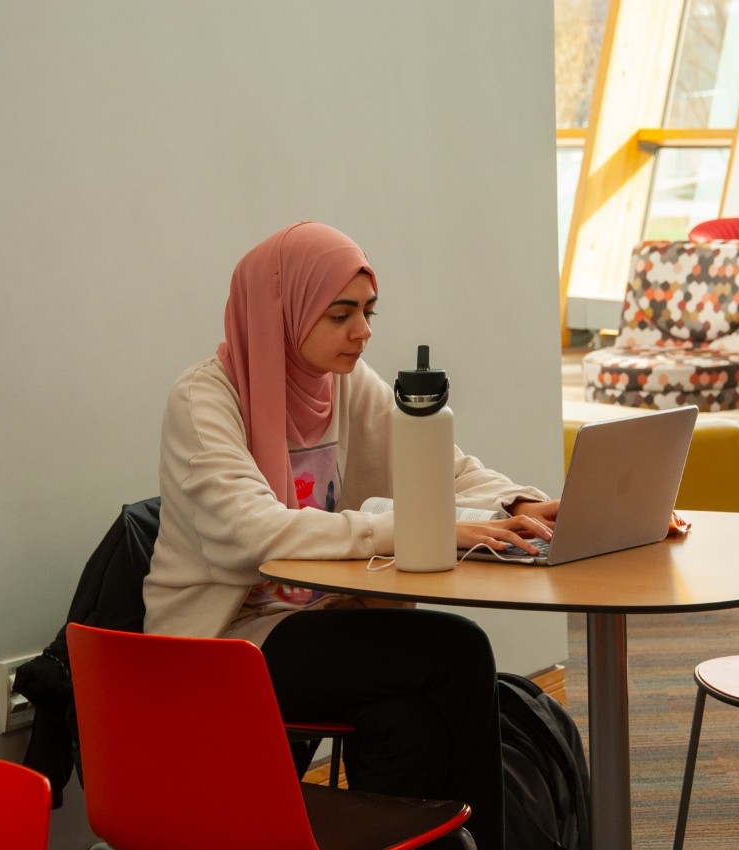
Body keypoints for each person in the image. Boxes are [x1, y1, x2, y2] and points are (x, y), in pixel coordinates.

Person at [143, 221, 559, 849]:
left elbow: (442, 470)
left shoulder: (341, 384)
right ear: (283, 312)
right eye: (341, 315)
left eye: (367, 312)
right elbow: (258, 534)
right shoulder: (204, 402)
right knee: (455, 648)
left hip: (316, 618)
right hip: (226, 643)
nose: (363, 332)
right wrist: (411, 531)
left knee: (410, 725)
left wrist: (526, 500)